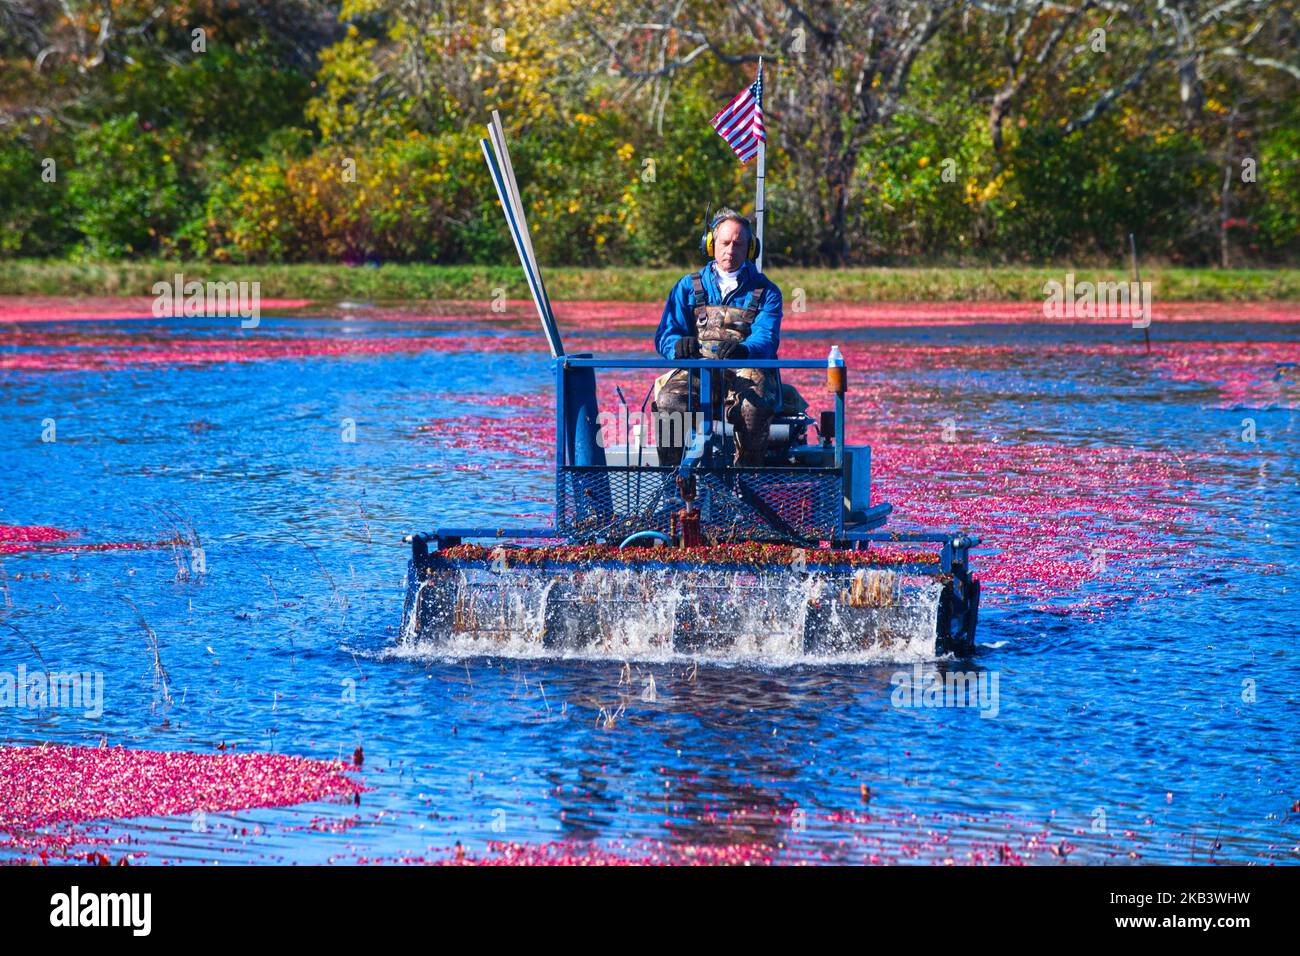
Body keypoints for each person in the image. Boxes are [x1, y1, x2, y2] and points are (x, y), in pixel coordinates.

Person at [652, 208, 783, 466]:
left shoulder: (766, 291)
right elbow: (666, 333)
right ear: (711, 245)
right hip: (699, 371)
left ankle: (746, 483)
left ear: (750, 249)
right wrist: (677, 346)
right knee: (669, 400)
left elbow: (766, 337)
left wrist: (745, 351)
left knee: (753, 406)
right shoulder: (687, 286)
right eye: (724, 243)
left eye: (738, 244)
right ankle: (673, 484)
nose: (730, 250)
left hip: (745, 371)